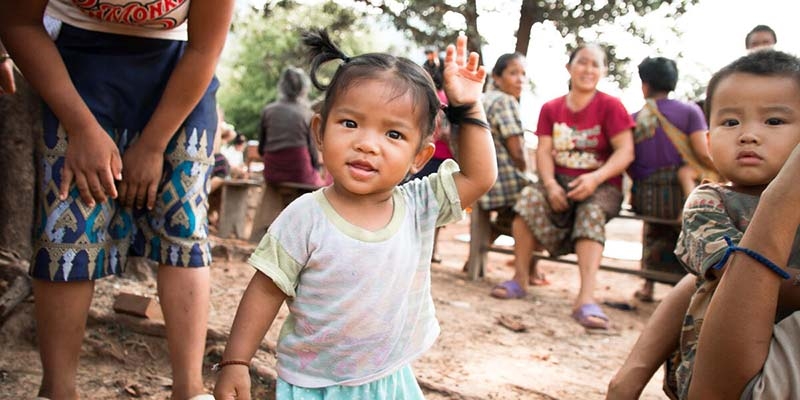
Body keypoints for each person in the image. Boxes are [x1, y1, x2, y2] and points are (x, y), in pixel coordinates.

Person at [213, 31, 496, 399]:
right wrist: (236, 362)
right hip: (315, 383)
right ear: (319, 131)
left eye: (393, 134)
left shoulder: (418, 207)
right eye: (350, 123)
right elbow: (266, 290)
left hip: (390, 379)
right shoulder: (305, 217)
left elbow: (479, 176)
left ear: (419, 158)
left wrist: (469, 108)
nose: (367, 143)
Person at [0, 1, 234, 399]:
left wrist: (155, 144)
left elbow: (205, 49)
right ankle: (58, 390)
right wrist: (80, 127)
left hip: (181, 70)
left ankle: (190, 390)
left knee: (184, 225)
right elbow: (17, 21)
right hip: (75, 68)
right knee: (69, 221)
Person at [606, 50, 800, 399]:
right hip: (717, 368)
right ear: (708, 141)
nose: (748, 135)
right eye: (730, 122)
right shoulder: (709, 202)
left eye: (773, 121)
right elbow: (738, 277)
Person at [491, 44, 635, 331]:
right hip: (559, 180)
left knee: (591, 212)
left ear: (603, 71)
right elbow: (543, 152)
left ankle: (585, 298)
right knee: (528, 199)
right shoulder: (551, 108)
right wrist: (550, 184)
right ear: (569, 68)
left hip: (602, 184)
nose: (588, 69)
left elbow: (625, 152)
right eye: (582, 62)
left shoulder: (611, 106)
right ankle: (520, 278)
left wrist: (595, 178)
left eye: (596, 64)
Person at [627, 56, 714, 302]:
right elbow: (701, 152)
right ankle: (687, 287)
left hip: (647, 197)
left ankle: (648, 285)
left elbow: (630, 162)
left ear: (644, 85)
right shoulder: (690, 111)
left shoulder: (634, 118)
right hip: (681, 198)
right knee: (687, 224)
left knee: (653, 230)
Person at [477, 52, 535, 280]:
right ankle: (531, 269)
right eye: (513, 73)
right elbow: (518, 151)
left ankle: (473, 260)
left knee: (508, 216)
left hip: (480, 181)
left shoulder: (481, 100)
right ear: (497, 77)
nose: (520, 79)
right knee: (542, 202)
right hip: (504, 183)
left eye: (523, 74)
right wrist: (526, 172)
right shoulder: (505, 101)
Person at [415, 48, 456, 263]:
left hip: (431, 157)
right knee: (436, 204)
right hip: (440, 157)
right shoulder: (446, 99)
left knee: (423, 202)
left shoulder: (431, 98)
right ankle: (432, 248)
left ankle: (427, 247)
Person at [259, 66, 331, 187]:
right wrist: (316, 169)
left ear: (281, 87)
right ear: (303, 89)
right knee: (323, 184)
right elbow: (312, 151)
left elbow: (261, 149)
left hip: (271, 172)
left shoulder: (268, 111)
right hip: (299, 173)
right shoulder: (307, 114)